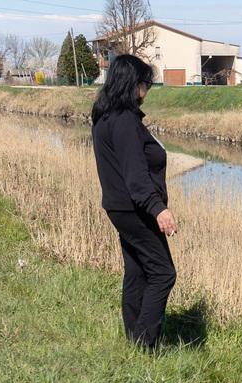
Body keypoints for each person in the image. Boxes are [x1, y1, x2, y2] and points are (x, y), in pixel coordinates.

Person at [91, 54, 179, 349]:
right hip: (136, 208)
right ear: (133, 84)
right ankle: (145, 342)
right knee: (163, 274)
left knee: (137, 270)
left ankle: (133, 338)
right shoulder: (125, 121)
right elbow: (135, 175)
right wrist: (159, 209)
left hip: (120, 208)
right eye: (146, 84)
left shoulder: (104, 116)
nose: (147, 90)